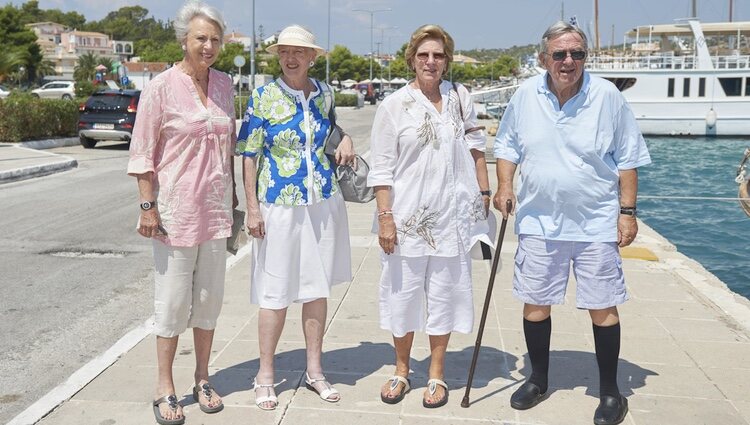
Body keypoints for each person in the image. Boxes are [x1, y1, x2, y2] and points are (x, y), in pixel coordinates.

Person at [493, 21, 651, 425]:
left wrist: (627, 213)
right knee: (535, 305)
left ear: (586, 58)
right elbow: (507, 145)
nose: (568, 61)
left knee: (603, 307)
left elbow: (628, 157)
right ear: (544, 57)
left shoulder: (608, 96)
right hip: (538, 221)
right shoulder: (526, 94)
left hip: (595, 222)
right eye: (560, 54)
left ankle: (612, 392)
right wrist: (504, 185)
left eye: (577, 54)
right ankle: (539, 380)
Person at [368, 24, 492, 409]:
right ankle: (401, 369)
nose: (431, 61)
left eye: (438, 55)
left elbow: (476, 148)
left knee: (446, 298)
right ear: (412, 59)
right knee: (402, 297)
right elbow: (382, 168)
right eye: (424, 55)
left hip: (453, 221)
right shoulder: (394, 105)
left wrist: (486, 193)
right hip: (406, 221)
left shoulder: (460, 97)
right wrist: (385, 216)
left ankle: (436, 373)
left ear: (447, 61)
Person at [127, 1, 237, 424]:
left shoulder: (226, 85)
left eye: (214, 39)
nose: (208, 46)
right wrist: (147, 207)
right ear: (184, 41)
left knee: (208, 301)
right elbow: (142, 153)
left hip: (215, 212)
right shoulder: (159, 87)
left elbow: (230, 147)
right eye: (200, 38)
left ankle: (203, 378)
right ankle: (164, 386)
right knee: (173, 303)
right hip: (173, 213)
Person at [237, 24, 356, 410]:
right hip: (278, 205)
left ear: (312, 58)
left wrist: (347, 138)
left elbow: (330, 131)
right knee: (275, 293)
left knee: (316, 289)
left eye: (299, 52)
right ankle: (266, 374)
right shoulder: (263, 97)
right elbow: (249, 154)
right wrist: (252, 207)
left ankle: (315, 371)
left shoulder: (325, 94)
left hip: (322, 201)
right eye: (284, 52)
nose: (291, 58)